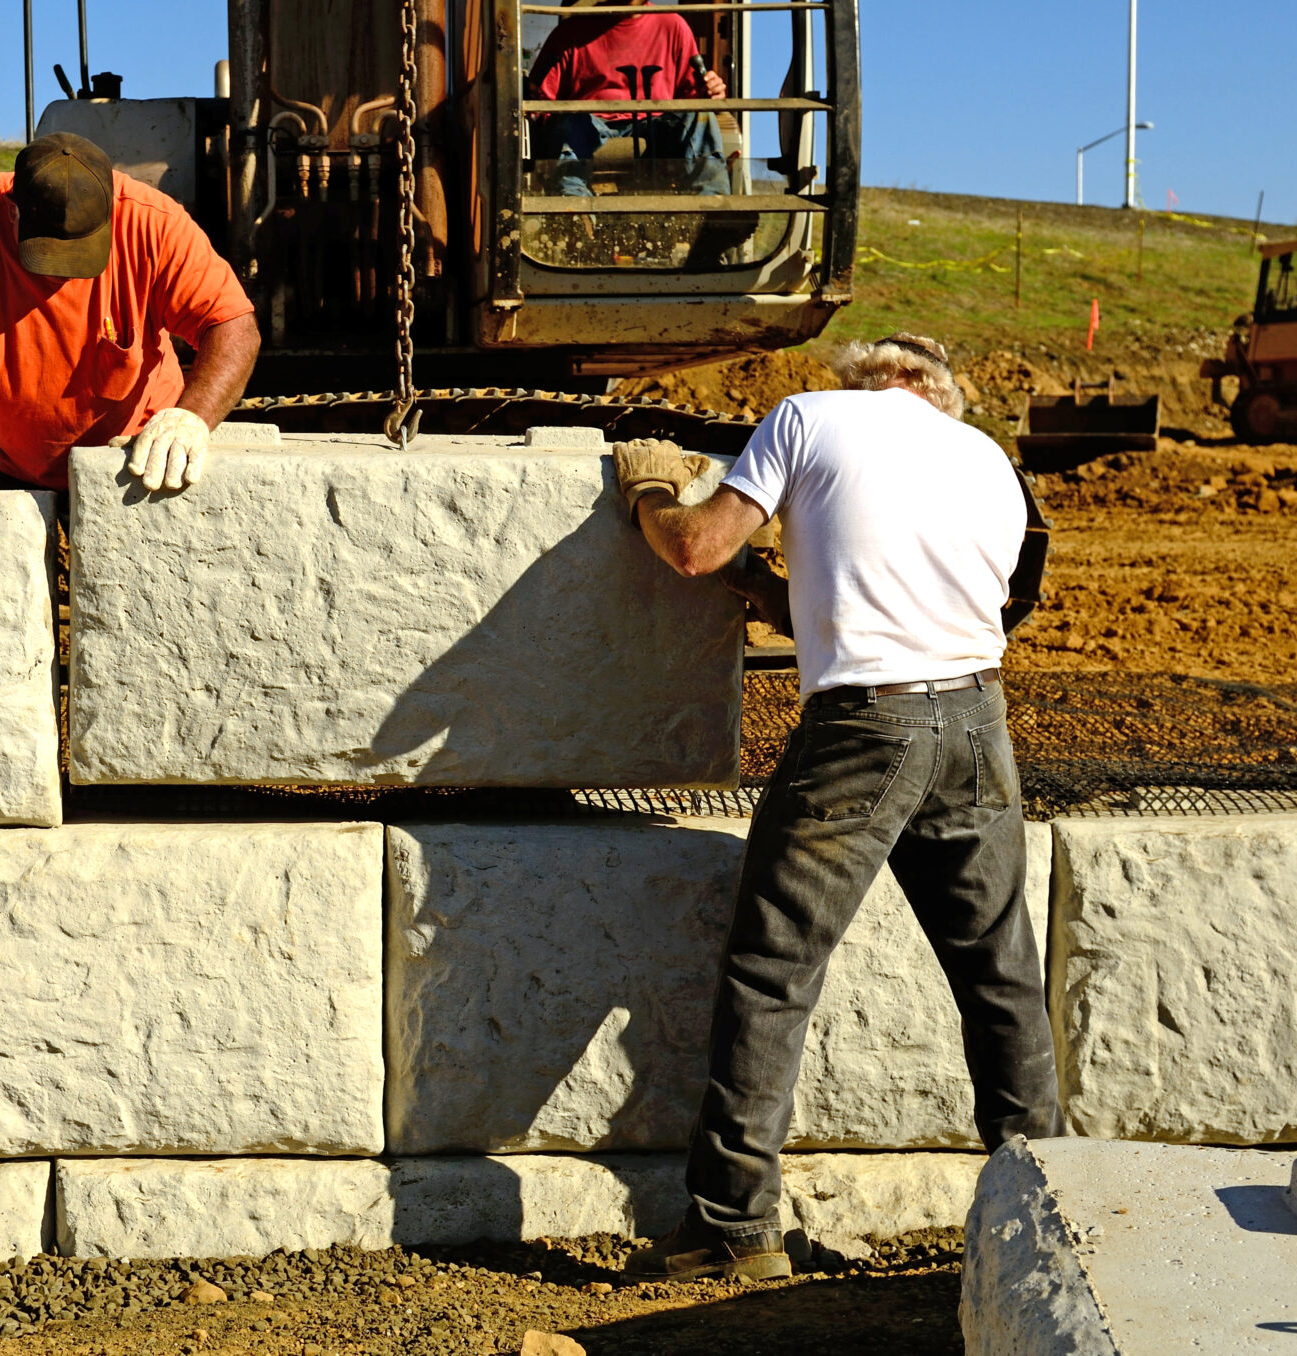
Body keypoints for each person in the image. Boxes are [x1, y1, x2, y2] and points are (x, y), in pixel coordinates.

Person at [611, 335, 1064, 1281]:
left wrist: (650, 493)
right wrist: (781, 593)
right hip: (978, 720)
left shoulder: (810, 417)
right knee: (1001, 977)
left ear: (866, 378)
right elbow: (925, 601)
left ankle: (732, 1229)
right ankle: (1054, 1211)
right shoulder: (986, 458)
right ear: (937, 391)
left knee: (774, 967)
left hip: (864, 731)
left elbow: (696, 547)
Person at [0, 132, 260, 551]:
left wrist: (191, 418)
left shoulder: (154, 223)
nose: (66, 273)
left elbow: (233, 326)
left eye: (84, 252)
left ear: (110, 210)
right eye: (50, 253)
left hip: (132, 452)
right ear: (12, 212)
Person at [527, 0, 729, 199]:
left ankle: (711, 207)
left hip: (656, 124)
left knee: (701, 116)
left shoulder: (673, 25)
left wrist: (711, 92)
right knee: (566, 124)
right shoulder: (571, 32)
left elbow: (691, 97)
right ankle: (574, 209)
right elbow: (541, 100)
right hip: (589, 125)